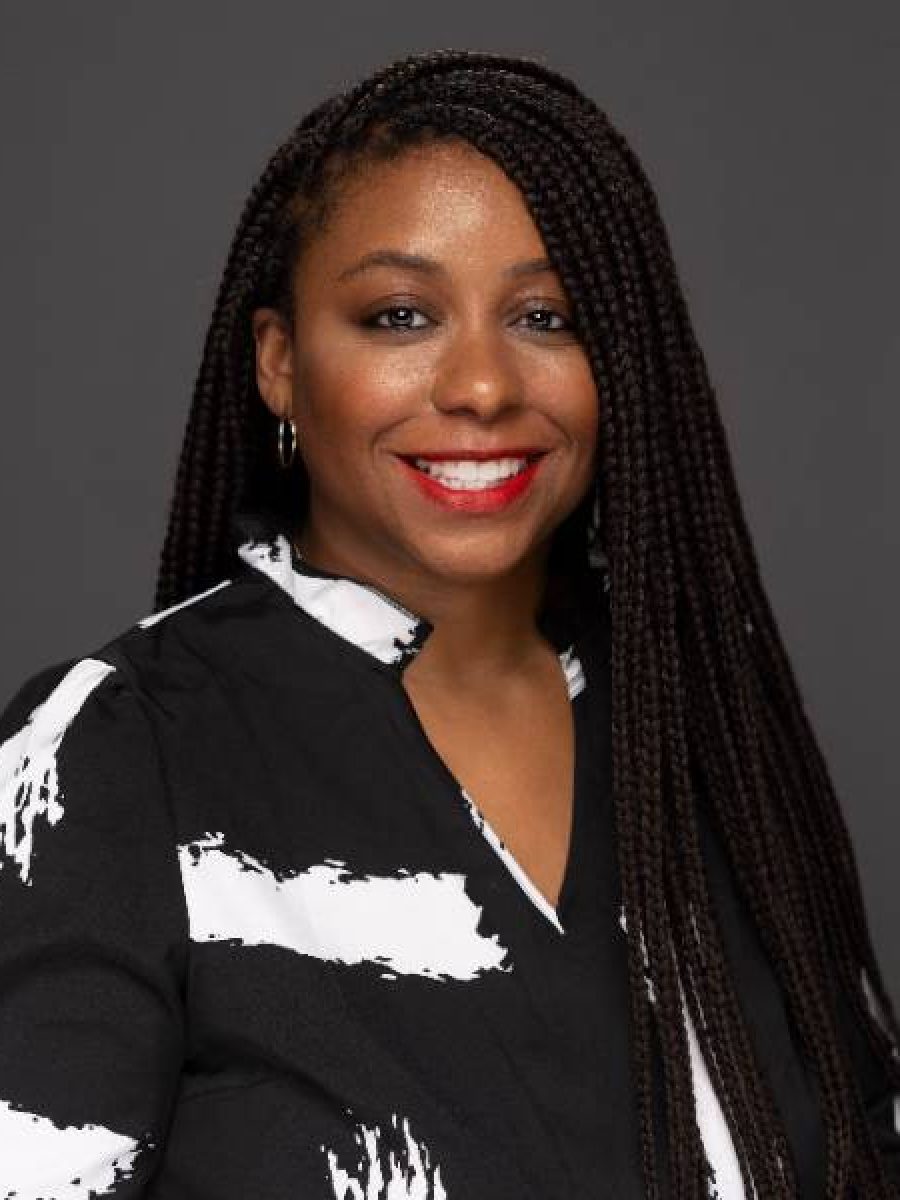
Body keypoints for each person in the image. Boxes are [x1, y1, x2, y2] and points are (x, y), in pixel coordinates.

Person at [0, 48, 897, 1200]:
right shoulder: (116, 758)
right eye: (400, 315)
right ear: (279, 362)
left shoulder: (704, 730)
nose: (482, 385)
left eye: (547, 316)